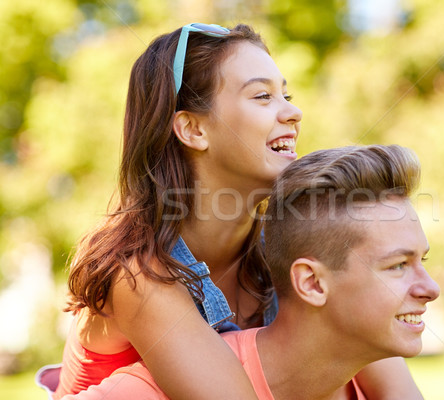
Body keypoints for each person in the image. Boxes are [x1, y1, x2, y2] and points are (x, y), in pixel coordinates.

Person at [51, 21, 423, 400]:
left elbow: (387, 374)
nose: (293, 112)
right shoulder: (136, 271)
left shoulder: (286, 244)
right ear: (193, 129)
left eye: (286, 94)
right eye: (263, 96)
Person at [59, 144, 440, 400]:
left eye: (420, 261)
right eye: (397, 266)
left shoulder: (367, 370)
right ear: (311, 282)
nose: (431, 288)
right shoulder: (151, 381)